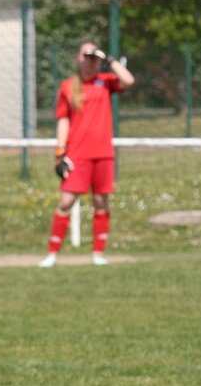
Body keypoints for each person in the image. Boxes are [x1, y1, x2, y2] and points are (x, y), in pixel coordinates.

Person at [38, 41, 135, 267]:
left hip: (103, 153)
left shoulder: (106, 81)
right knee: (66, 201)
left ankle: (98, 253)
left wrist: (110, 60)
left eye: (94, 57)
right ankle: (52, 253)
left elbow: (129, 81)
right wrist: (60, 152)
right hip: (77, 154)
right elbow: (63, 119)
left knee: (100, 201)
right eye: (85, 55)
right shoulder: (68, 86)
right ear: (77, 58)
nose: (89, 61)